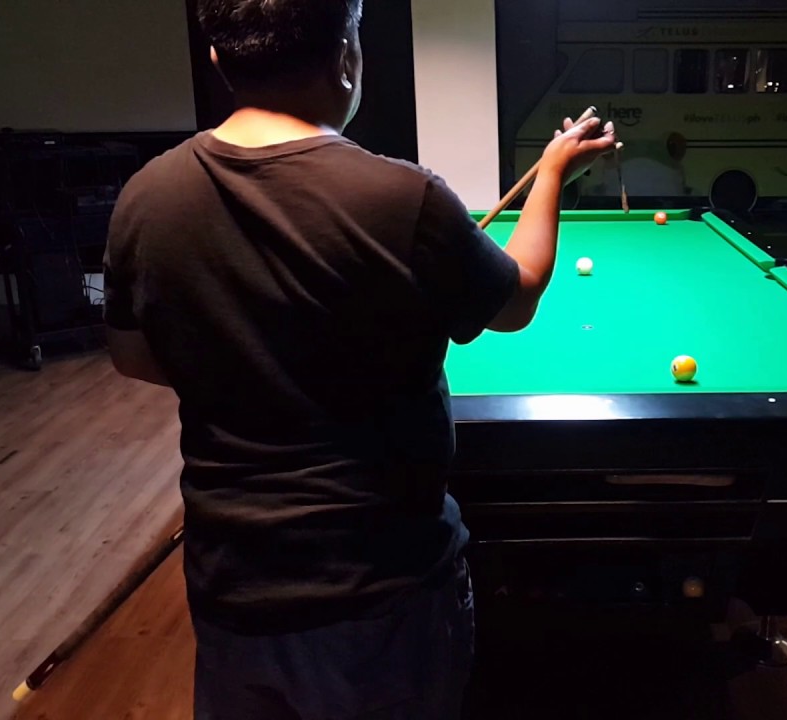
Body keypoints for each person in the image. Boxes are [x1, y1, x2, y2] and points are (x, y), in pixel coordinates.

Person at [101, 1, 617, 717]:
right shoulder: (403, 197)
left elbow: (134, 357)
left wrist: (247, 364)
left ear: (218, 59)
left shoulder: (146, 197)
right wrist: (553, 169)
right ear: (346, 57)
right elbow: (518, 298)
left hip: (232, 588)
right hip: (384, 594)